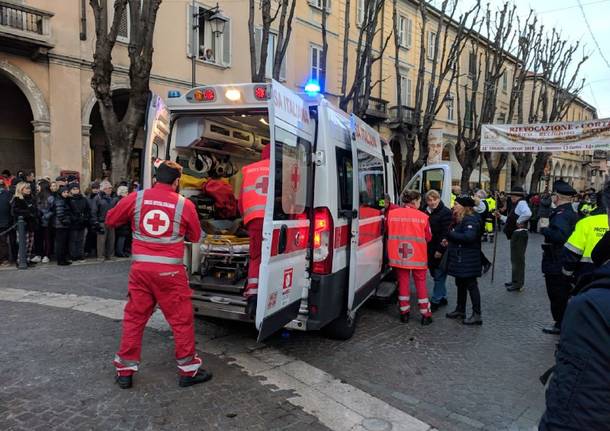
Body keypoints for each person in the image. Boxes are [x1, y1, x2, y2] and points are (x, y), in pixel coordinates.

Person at [105, 161, 211, 389]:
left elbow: (111, 220)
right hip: (170, 274)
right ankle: (188, 371)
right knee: (181, 321)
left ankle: (125, 372)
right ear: (176, 181)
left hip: (141, 271)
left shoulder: (137, 198)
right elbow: (195, 236)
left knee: (134, 319)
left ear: (154, 178)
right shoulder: (184, 204)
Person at [539, 182, 610, 430]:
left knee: (561, 304)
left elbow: (573, 403)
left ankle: (559, 322)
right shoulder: (577, 215)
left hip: (588, 280)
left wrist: (568, 275)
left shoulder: (583, 221)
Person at [387, 190, 433, 325]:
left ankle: (404, 313)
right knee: (421, 284)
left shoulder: (392, 215)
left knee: (403, 284)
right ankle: (425, 315)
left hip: (400, 256)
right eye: (419, 201)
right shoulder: (423, 217)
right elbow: (428, 237)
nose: (420, 204)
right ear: (414, 202)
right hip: (418, 257)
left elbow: (387, 231)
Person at [539, 181, 579, 335]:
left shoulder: (562, 214)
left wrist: (545, 230)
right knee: (560, 293)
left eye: (554, 195)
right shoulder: (568, 212)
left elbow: (560, 236)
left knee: (557, 294)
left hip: (556, 258)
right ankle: (562, 322)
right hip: (560, 258)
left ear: (557, 197)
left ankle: (559, 324)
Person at [239, 144, 270, 319]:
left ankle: (252, 297)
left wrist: (244, 220)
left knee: (256, 258)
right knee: (275, 258)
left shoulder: (248, 170)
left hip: (254, 222)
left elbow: (240, 200)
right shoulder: (280, 169)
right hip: (275, 221)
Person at [445, 195, 483, 325]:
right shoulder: (461, 219)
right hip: (461, 259)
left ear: (464, 207)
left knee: (472, 286)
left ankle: (477, 314)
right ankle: (460, 310)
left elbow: (469, 237)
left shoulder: (470, 219)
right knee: (460, 284)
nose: (454, 206)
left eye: (456, 204)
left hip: (468, 259)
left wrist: (450, 234)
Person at [562, 191, 609, 281]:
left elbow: (572, 252)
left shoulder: (586, 223)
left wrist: (567, 274)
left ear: (597, 202)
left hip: (587, 273)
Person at [497, 186, 531, 292]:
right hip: (516, 234)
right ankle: (515, 280)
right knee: (515, 259)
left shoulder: (521, 203)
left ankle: (518, 283)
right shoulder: (517, 204)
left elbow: (528, 214)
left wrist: (519, 221)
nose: (511, 197)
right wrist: (500, 216)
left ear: (517, 196)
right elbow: (510, 219)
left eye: (512, 195)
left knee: (518, 260)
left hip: (519, 234)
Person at [425, 190, 452, 312]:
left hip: (439, 248)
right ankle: (443, 296)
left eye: (434, 199)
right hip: (429, 248)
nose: (432, 202)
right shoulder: (426, 211)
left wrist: (440, 250)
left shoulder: (446, 212)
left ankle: (436, 300)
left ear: (439, 199)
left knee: (439, 274)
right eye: (429, 200)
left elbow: (445, 233)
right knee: (435, 273)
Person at [11, 181, 38, 264]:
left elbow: (35, 209)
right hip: (22, 225)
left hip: (31, 224)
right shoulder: (17, 199)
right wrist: (28, 213)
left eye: (29, 188)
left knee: (30, 243)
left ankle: (27, 259)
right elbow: (15, 212)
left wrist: (33, 213)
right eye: (26, 188)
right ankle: (20, 260)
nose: (28, 190)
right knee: (23, 244)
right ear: (21, 189)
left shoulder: (31, 198)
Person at [91, 180, 117, 261]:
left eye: (110, 188)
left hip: (111, 221)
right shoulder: (97, 198)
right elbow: (94, 211)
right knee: (101, 241)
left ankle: (110, 255)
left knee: (111, 239)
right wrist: (95, 222)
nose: (109, 190)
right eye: (107, 188)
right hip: (101, 221)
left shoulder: (112, 197)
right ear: (102, 189)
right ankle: (100, 256)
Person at [68, 182, 90, 262]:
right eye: (74, 189)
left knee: (81, 240)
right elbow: (68, 211)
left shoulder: (83, 199)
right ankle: (73, 255)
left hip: (82, 222)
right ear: (70, 190)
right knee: (73, 240)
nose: (76, 190)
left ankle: (80, 254)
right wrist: (74, 218)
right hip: (73, 223)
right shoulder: (69, 199)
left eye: (77, 189)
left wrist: (85, 218)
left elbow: (88, 209)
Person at [34, 179, 53, 263]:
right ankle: (38, 254)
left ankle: (46, 255)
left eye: (38, 185)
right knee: (38, 238)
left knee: (47, 238)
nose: (37, 187)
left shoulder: (50, 197)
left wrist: (45, 216)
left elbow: (53, 209)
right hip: (38, 220)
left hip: (46, 221)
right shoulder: (37, 196)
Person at [53, 186, 73, 266]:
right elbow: (60, 213)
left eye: (67, 192)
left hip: (63, 224)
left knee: (63, 243)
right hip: (60, 225)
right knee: (60, 243)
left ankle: (63, 259)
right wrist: (66, 222)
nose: (66, 194)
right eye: (64, 192)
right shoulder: (59, 200)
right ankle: (60, 260)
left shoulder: (65, 200)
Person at [114, 185, 131, 257]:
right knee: (122, 237)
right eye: (126, 192)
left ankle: (122, 251)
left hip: (121, 221)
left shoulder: (117, 199)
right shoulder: (122, 200)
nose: (127, 193)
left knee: (122, 237)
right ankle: (120, 252)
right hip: (122, 221)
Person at [0, 179, 12, 266]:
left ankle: (4, 259)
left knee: (3, 241)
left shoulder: (7, 194)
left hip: (4, 221)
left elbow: (10, 207)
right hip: (4, 220)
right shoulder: (7, 194)